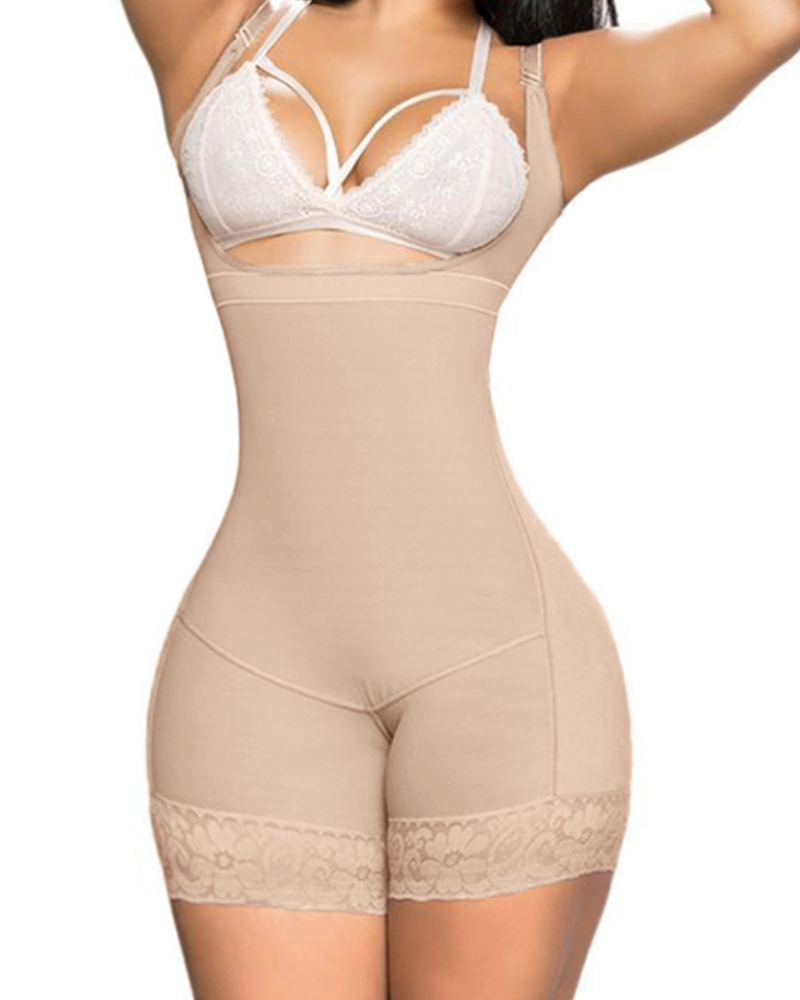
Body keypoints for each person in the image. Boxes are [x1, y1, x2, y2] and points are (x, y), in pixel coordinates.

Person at [121, 1, 800, 997]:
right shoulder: (214, 31)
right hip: (248, 665)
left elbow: (764, 26)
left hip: (496, 670)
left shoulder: (556, 87)